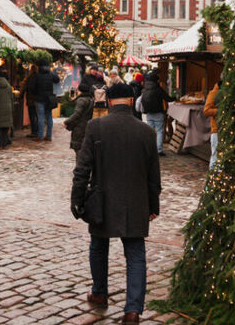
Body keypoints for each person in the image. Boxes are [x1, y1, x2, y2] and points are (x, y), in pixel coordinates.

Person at [71, 81, 161, 324]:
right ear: (132, 101)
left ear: (108, 101)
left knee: (98, 245)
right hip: (136, 202)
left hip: (102, 201)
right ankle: (132, 310)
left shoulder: (96, 126)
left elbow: (82, 169)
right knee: (135, 254)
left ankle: (100, 293)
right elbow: (154, 175)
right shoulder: (146, 131)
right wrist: (153, 206)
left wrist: (77, 199)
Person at [140, 71, 172, 155]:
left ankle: (149, 149)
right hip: (158, 113)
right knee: (159, 131)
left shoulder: (145, 89)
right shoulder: (158, 89)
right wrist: (175, 99)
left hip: (149, 113)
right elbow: (167, 98)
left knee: (150, 132)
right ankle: (159, 150)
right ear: (156, 80)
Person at [26, 60, 57, 141]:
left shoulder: (37, 75)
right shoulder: (50, 73)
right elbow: (57, 80)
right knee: (49, 117)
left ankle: (40, 136)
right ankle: (49, 136)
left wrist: (35, 93)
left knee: (41, 117)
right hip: (49, 99)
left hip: (39, 99)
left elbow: (31, 87)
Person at [64, 76, 96, 152]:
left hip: (80, 128)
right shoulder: (90, 99)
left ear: (80, 91)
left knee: (79, 150)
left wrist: (66, 121)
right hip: (87, 125)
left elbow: (77, 113)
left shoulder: (81, 100)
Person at [202, 80, 220, 170]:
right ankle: (212, 179)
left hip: (224, 129)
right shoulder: (214, 94)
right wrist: (218, 111)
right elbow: (206, 111)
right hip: (216, 129)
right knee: (215, 154)